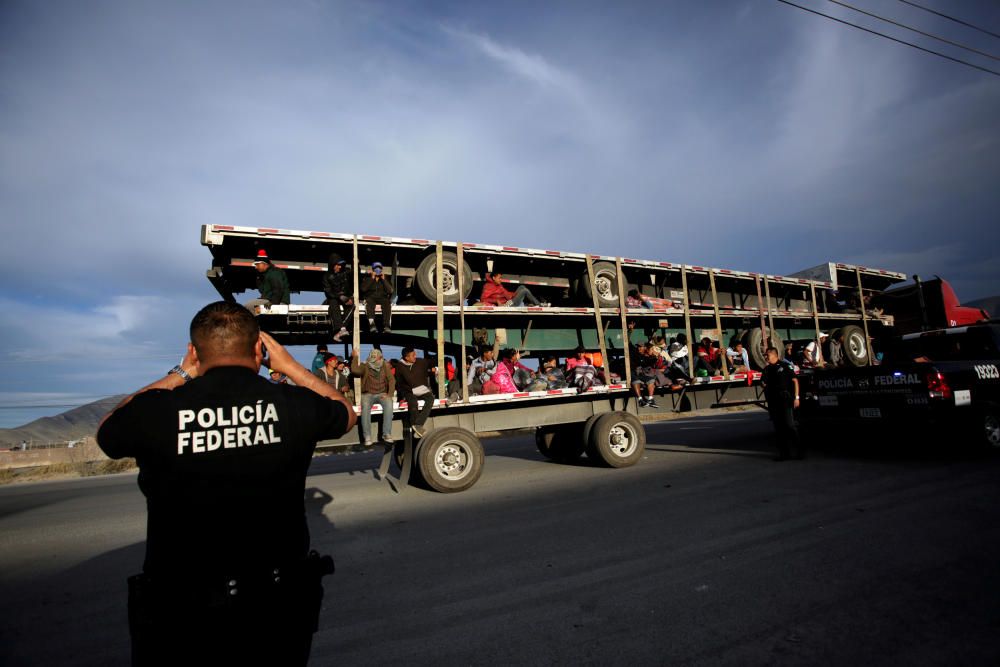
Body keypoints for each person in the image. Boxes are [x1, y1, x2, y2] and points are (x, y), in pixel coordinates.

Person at [95, 301, 355, 666]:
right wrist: (291, 367)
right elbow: (345, 413)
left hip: (179, 617)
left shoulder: (157, 411)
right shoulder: (291, 403)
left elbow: (108, 426)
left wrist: (180, 374)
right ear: (258, 350)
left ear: (194, 351)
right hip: (275, 611)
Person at [760, 346, 802, 461]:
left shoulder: (785, 366)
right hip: (774, 401)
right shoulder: (767, 369)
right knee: (778, 428)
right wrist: (764, 385)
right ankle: (784, 454)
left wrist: (796, 397)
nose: (766, 357)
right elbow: (762, 382)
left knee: (790, 425)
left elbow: (795, 381)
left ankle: (799, 452)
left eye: (767, 355)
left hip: (785, 399)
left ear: (774, 355)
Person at [351, 348, 395, 446]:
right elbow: (355, 370)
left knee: (389, 403)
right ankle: (367, 436)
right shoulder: (365, 365)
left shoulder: (384, 365)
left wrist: (389, 394)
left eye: (377, 359)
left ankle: (387, 434)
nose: (376, 361)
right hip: (368, 393)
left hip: (381, 393)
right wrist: (355, 357)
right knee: (365, 408)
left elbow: (391, 380)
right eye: (373, 359)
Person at [392, 347, 436, 438]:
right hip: (408, 391)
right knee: (412, 402)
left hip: (421, 389)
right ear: (406, 358)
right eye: (413, 355)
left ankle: (418, 424)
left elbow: (432, 362)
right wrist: (402, 398)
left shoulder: (421, 362)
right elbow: (399, 384)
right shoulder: (399, 367)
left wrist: (433, 367)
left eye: (415, 354)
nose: (415, 356)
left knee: (430, 398)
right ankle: (414, 426)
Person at [322, 254, 354, 342]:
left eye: (340, 265)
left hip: (346, 297)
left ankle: (342, 329)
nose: (339, 267)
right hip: (334, 298)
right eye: (337, 265)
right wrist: (339, 296)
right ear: (333, 265)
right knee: (333, 303)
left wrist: (356, 264)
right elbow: (328, 292)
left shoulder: (346, 272)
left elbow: (355, 275)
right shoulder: (326, 276)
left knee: (353, 303)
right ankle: (341, 329)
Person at [479, 272, 549, 307]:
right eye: (499, 278)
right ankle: (539, 305)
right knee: (525, 291)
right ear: (494, 278)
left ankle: (531, 303)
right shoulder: (488, 286)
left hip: (509, 301)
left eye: (501, 278)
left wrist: (514, 294)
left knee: (521, 287)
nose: (501, 280)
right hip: (506, 305)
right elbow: (483, 299)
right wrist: (496, 301)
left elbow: (506, 294)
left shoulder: (498, 285)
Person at [360, 261, 393, 334]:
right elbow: (363, 289)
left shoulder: (385, 278)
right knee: (369, 302)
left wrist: (384, 280)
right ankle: (372, 324)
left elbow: (390, 290)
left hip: (382, 297)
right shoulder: (367, 278)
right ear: (373, 269)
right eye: (376, 268)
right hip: (371, 297)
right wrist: (372, 278)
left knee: (387, 303)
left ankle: (387, 325)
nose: (378, 269)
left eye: (379, 268)